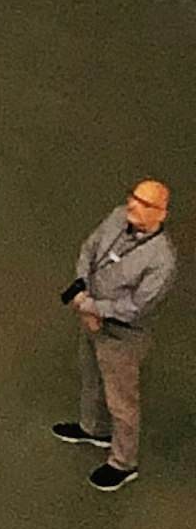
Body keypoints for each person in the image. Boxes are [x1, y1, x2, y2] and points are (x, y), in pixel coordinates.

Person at [55, 172, 171, 490]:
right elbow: (89, 249)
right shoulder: (118, 217)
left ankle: (123, 462)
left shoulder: (161, 261)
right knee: (91, 376)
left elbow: (135, 307)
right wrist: (82, 289)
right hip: (91, 314)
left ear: (160, 213)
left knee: (122, 401)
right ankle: (93, 429)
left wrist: (91, 308)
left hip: (123, 336)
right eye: (133, 196)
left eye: (143, 202)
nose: (132, 204)